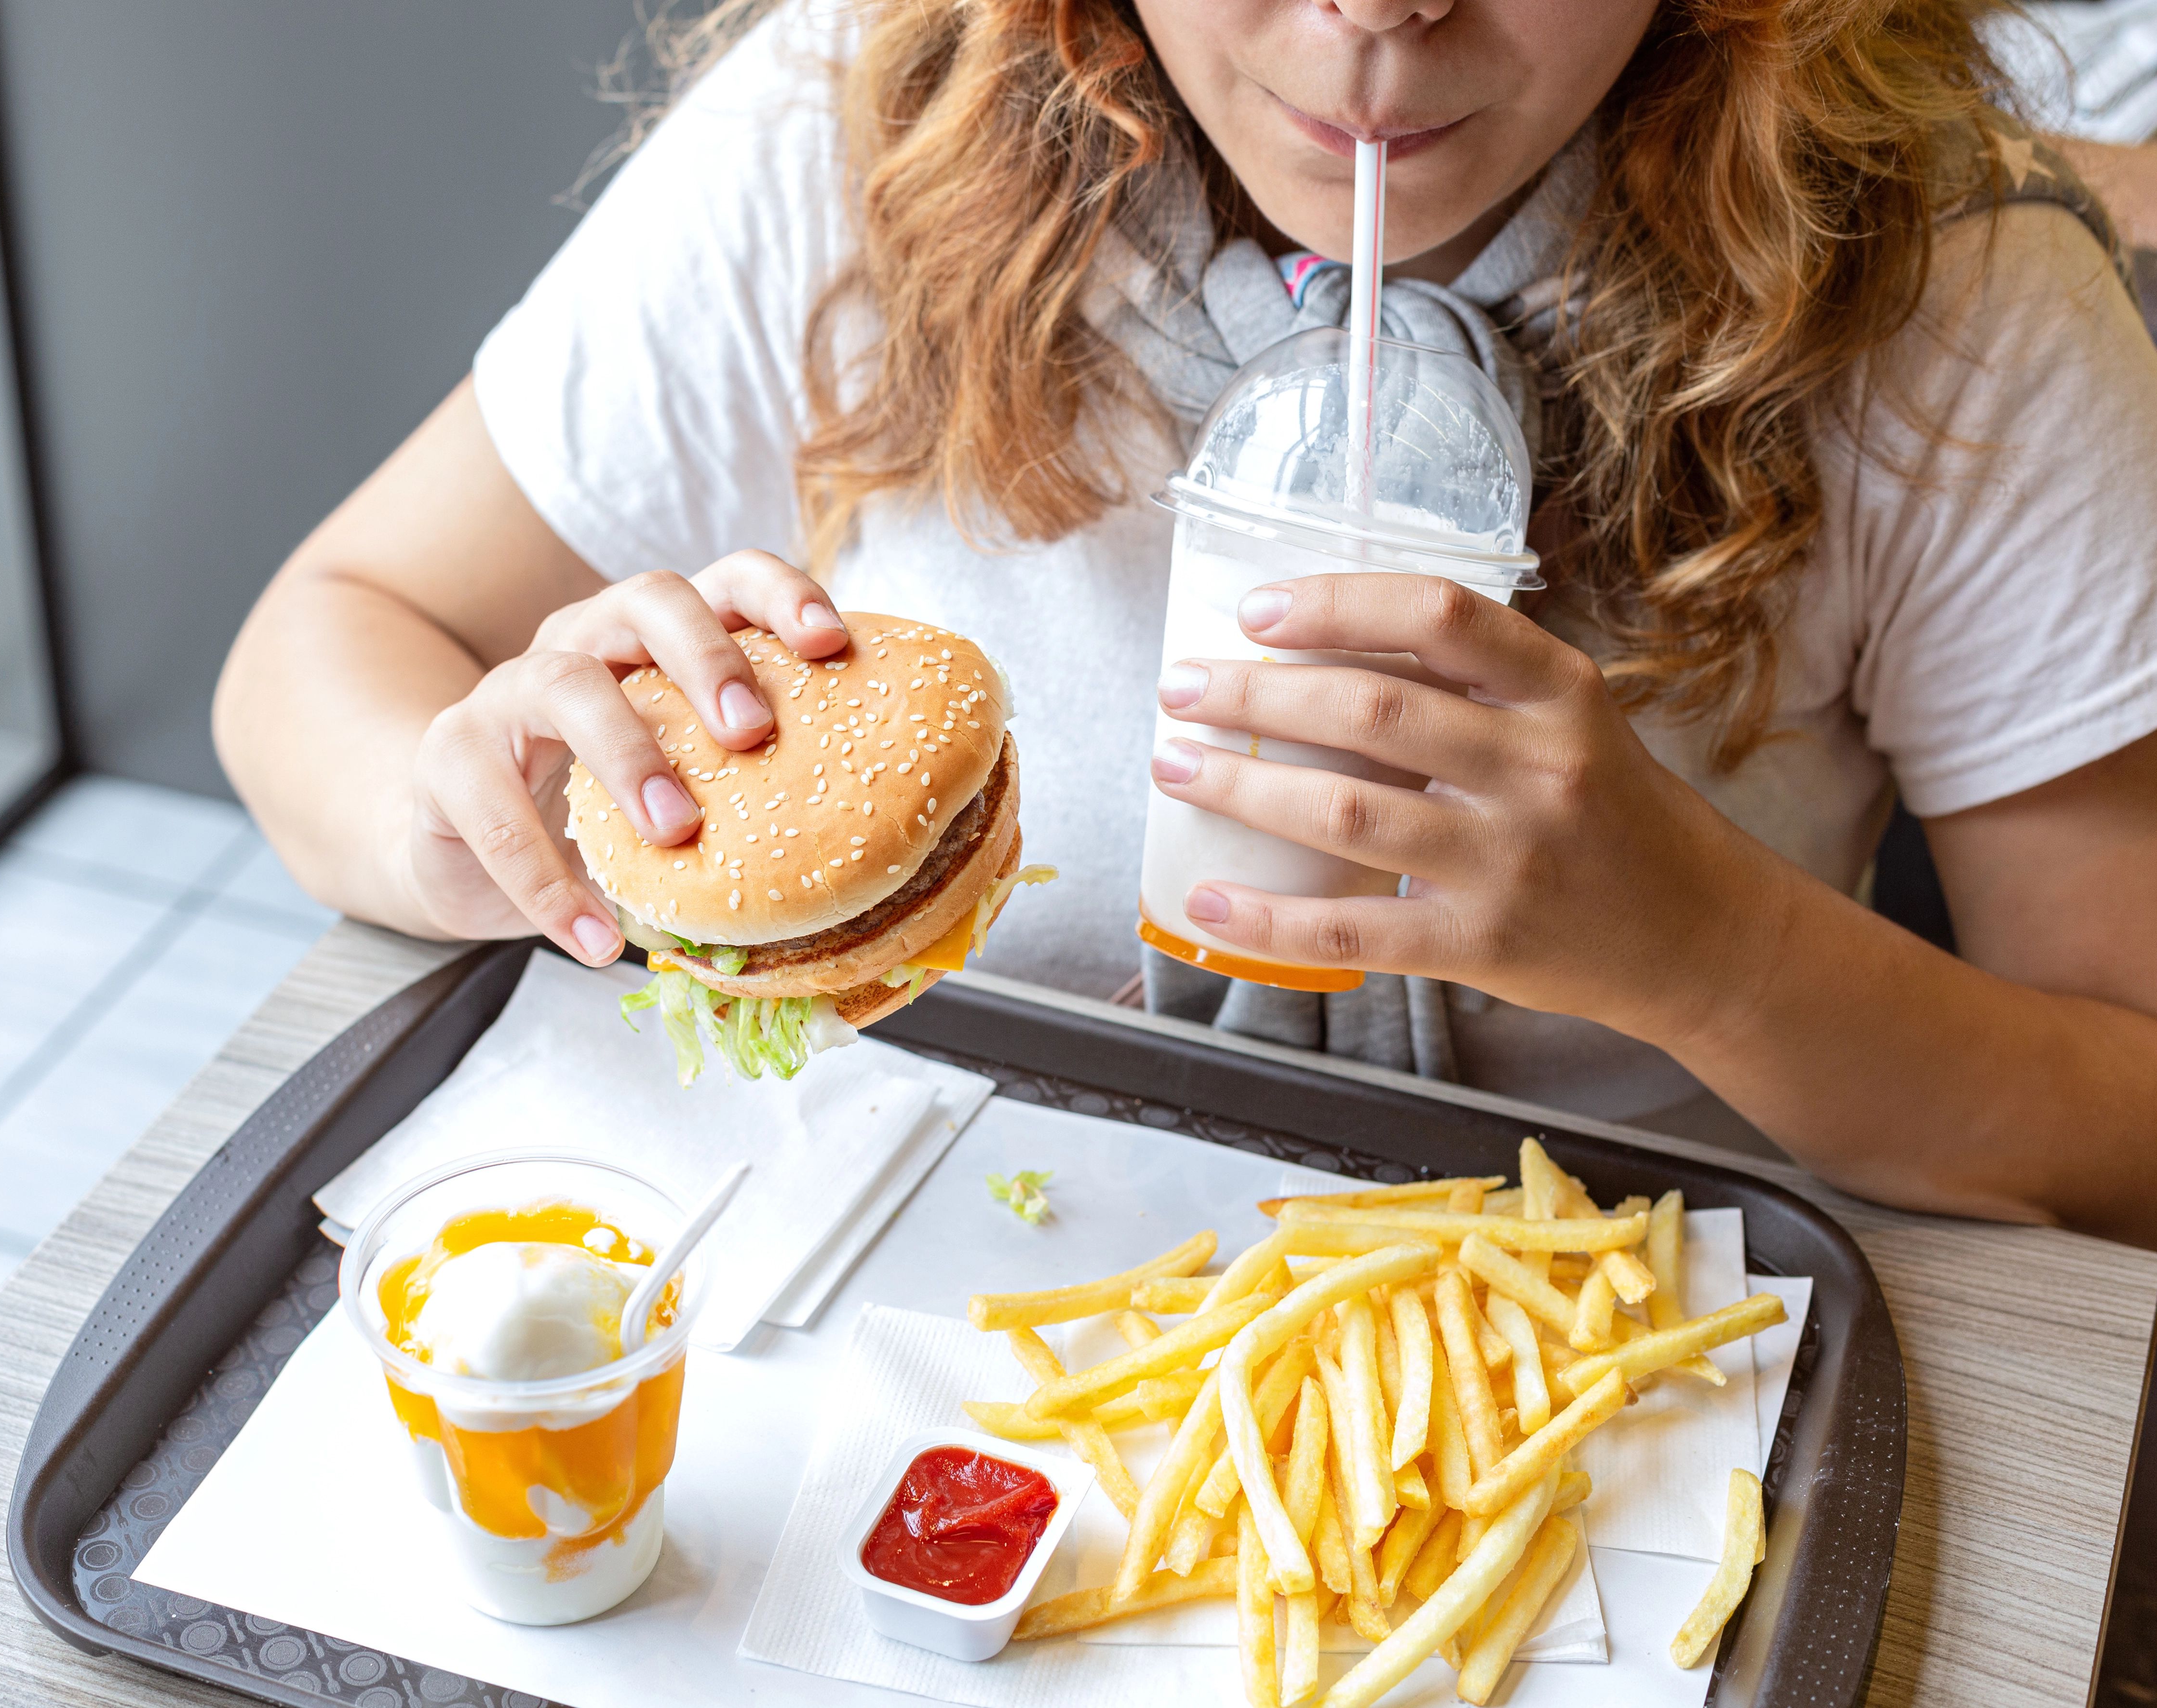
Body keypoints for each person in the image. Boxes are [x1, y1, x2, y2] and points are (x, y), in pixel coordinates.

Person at [214, 0, 2157, 1244]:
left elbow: (2128, 1122)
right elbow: (328, 638)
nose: (1382, 12)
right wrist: (489, 815)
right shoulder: (844, 127)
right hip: (904, 1287)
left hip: (1632, 1362)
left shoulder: (1953, 295)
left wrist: (1713, 950)